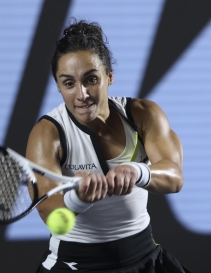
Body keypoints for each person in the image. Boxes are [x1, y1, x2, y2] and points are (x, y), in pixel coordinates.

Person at [27, 19, 191, 273]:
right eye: (69, 83)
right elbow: (52, 218)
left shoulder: (142, 114)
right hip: (76, 265)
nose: (82, 94)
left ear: (109, 76)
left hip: (145, 257)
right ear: (59, 86)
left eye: (91, 79)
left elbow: (174, 177)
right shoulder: (47, 133)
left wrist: (137, 172)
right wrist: (78, 199)